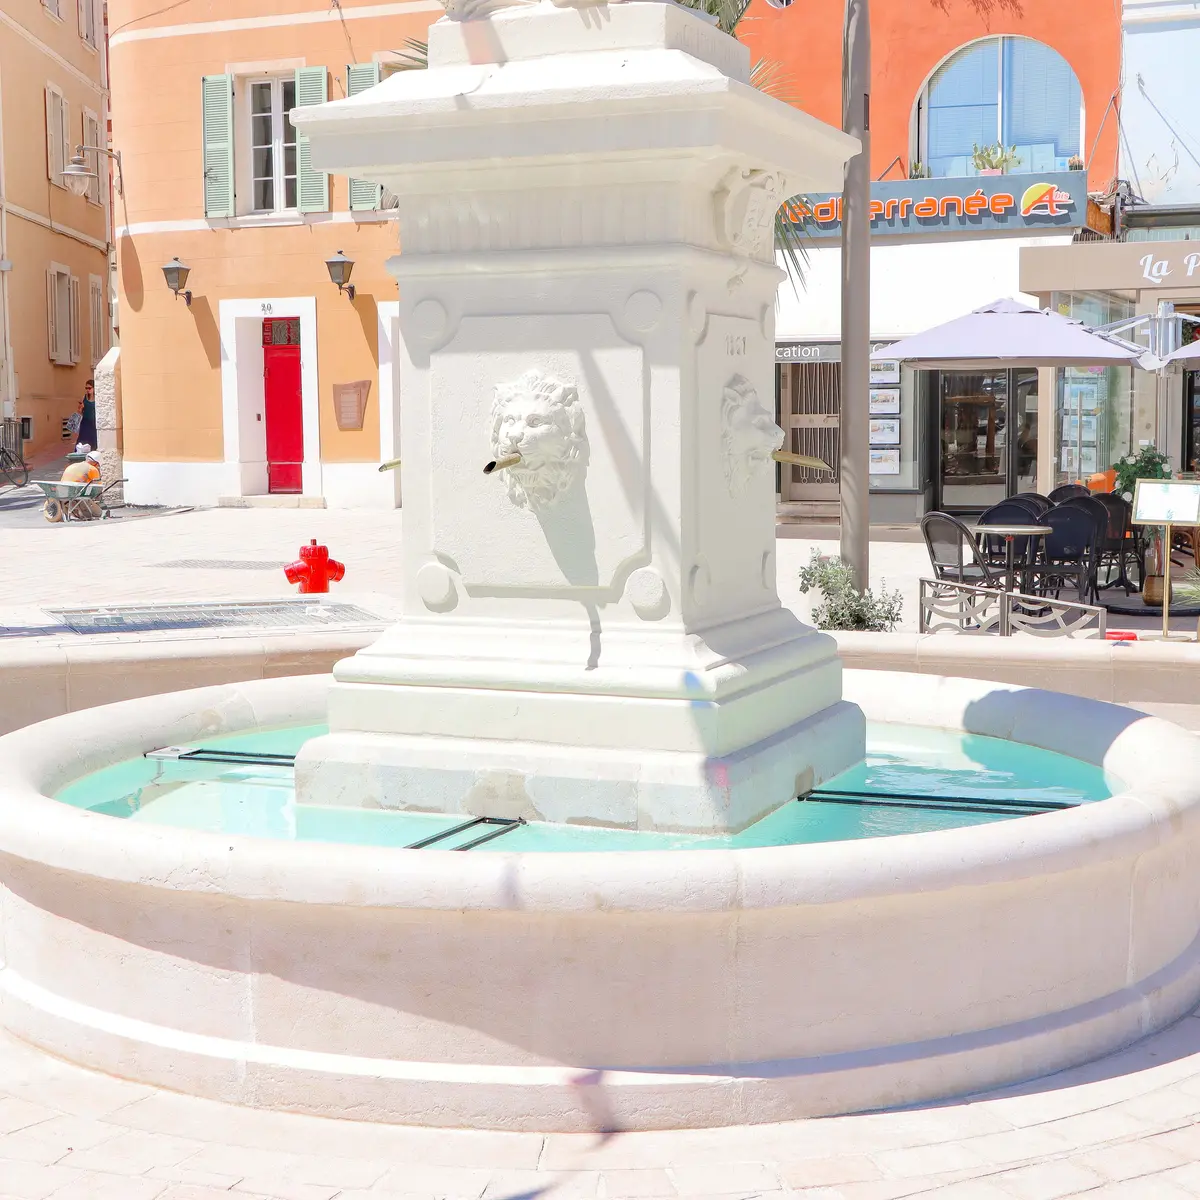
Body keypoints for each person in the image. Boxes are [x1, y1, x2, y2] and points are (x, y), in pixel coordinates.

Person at [57, 450, 102, 518]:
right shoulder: (92, 469)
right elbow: (98, 487)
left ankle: (75, 511)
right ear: (96, 463)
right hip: (77, 494)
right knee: (98, 513)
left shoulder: (72, 465)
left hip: (63, 492)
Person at [77, 379, 97, 452]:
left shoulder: (97, 398)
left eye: (89, 388)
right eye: (86, 388)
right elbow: (79, 412)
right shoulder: (84, 398)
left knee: (93, 441)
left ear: (94, 388)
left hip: (94, 423)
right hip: (85, 422)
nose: (88, 390)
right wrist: (81, 407)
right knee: (83, 441)